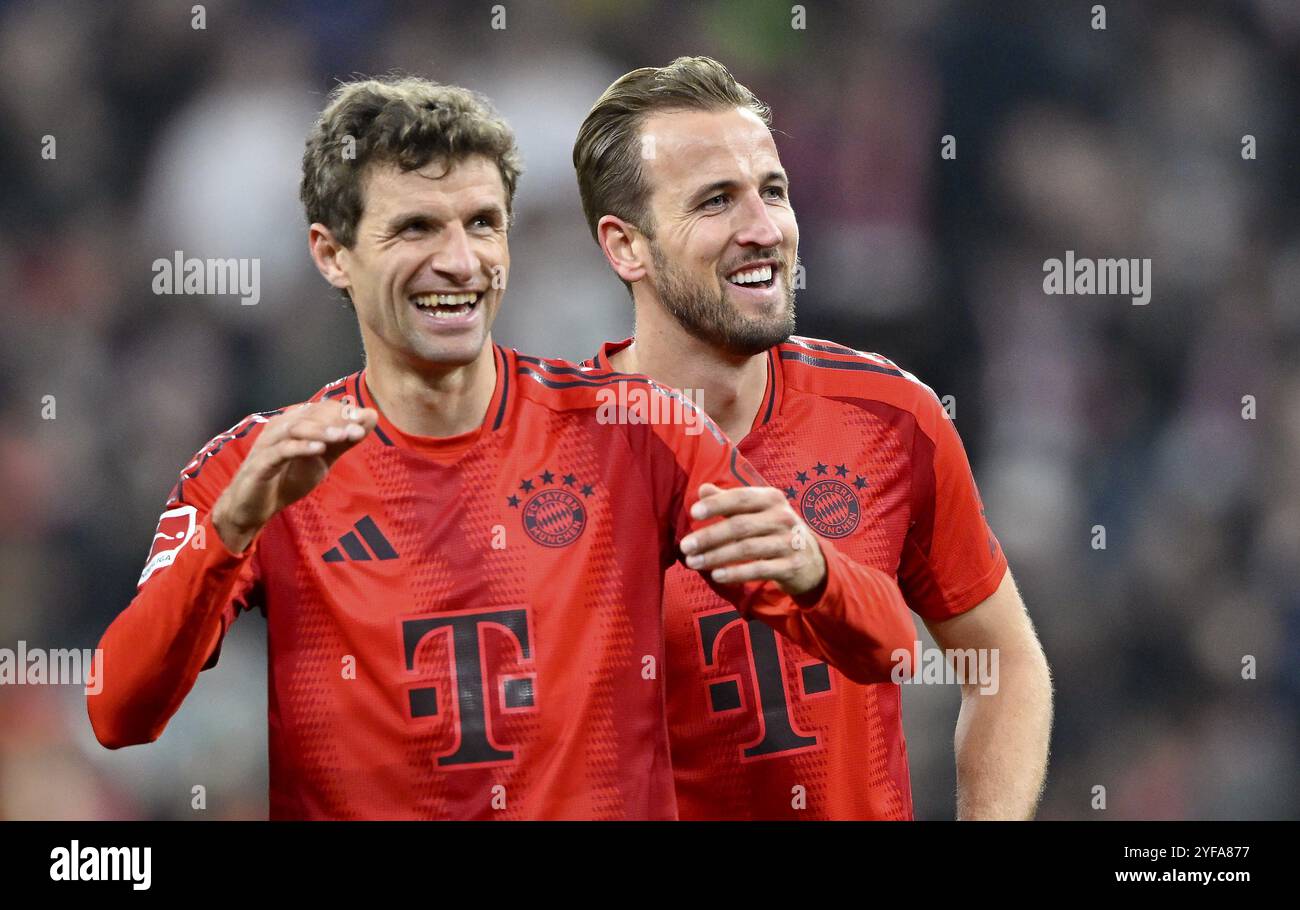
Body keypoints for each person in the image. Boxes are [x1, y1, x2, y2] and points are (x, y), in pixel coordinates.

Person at [87, 76, 917, 820]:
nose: (459, 260)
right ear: (332, 255)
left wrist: (813, 568)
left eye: (482, 223)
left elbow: (890, 647)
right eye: (415, 227)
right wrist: (228, 532)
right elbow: (119, 712)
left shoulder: (635, 431)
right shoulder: (255, 469)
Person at [573, 56, 1053, 819]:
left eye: (773, 192)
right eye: (716, 202)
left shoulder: (893, 416)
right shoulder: (553, 458)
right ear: (626, 246)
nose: (762, 230)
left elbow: (1004, 664)